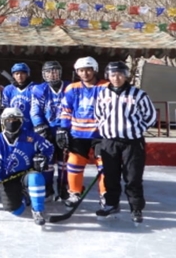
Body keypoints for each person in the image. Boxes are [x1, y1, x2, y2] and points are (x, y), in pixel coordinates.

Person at [94, 61, 156, 223]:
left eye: (120, 74)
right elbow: (98, 115)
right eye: (113, 74)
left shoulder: (138, 94)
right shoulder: (102, 94)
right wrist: (105, 130)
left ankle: (136, 208)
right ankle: (112, 204)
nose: (116, 78)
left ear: (126, 75)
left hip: (132, 142)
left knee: (133, 176)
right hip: (110, 142)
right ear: (108, 76)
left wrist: (135, 128)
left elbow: (150, 116)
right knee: (111, 176)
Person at [0, 107, 55, 226]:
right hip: (8, 178)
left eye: (15, 119)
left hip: (26, 174)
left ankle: (37, 210)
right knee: (15, 210)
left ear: (21, 121)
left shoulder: (31, 137)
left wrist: (43, 158)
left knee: (36, 177)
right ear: (3, 122)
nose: (12, 122)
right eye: (8, 120)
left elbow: (49, 148)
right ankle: (25, 197)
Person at [57, 56, 108, 208]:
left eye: (88, 70)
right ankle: (74, 192)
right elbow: (66, 110)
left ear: (95, 70)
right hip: (78, 134)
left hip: (101, 134)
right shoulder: (72, 88)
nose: (85, 73)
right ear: (77, 72)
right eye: (81, 70)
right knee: (74, 163)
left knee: (104, 165)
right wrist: (63, 129)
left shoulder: (106, 87)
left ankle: (105, 195)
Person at [30, 60, 71, 200]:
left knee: (64, 162)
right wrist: (42, 128)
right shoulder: (39, 89)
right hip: (47, 129)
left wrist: (65, 128)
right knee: (46, 160)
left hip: (65, 129)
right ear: (44, 74)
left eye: (54, 71)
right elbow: (35, 111)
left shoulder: (69, 88)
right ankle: (48, 187)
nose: (52, 74)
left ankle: (64, 187)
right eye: (48, 71)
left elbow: (74, 109)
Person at [1, 63, 37, 132]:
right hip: (14, 126)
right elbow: (5, 107)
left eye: (22, 73)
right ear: (13, 75)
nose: (19, 76)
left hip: (32, 126)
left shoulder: (34, 88)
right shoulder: (8, 89)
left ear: (27, 74)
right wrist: (0, 110)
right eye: (17, 73)